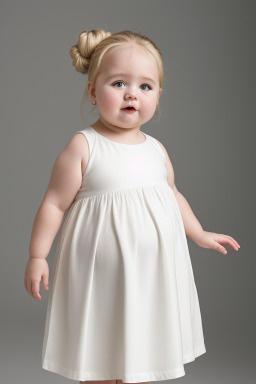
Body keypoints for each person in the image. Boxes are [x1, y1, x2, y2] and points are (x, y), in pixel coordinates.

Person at [24, 29, 240, 384]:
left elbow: (171, 193)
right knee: (101, 354)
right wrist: (37, 256)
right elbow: (53, 204)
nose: (131, 95)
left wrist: (198, 232)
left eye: (145, 86)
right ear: (93, 91)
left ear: (158, 94)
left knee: (140, 353)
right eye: (118, 83)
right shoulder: (84, 146)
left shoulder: (156, 149)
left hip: (149, 274)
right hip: (100, 275)